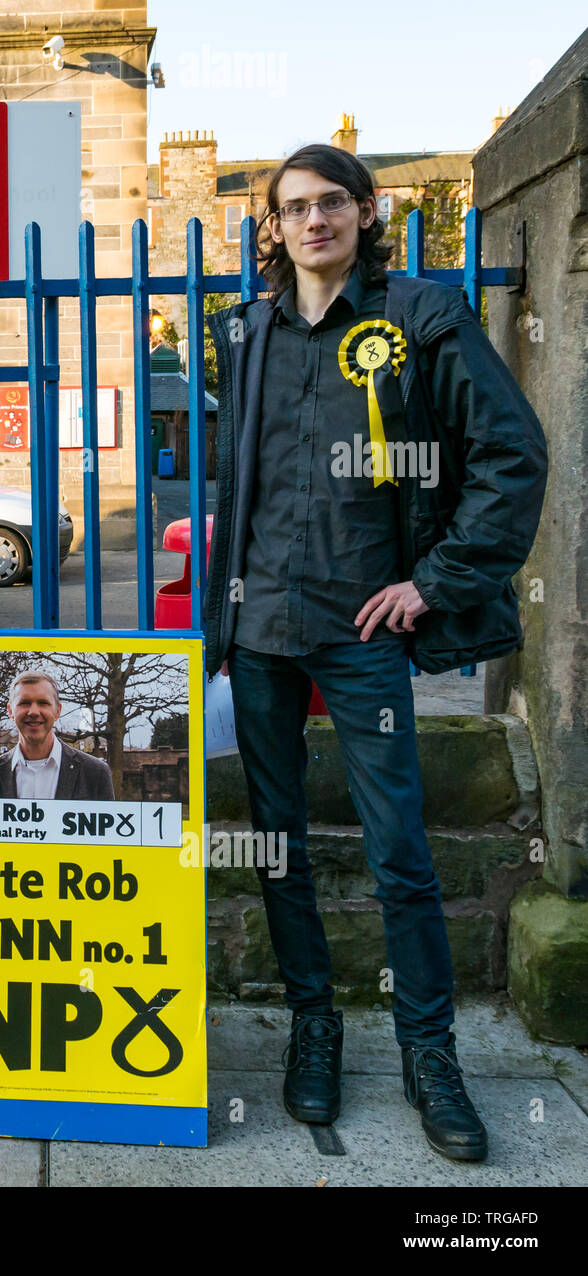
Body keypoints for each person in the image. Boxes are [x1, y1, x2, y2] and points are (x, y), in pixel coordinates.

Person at [204, 144, 546, 1161]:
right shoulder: (248, 329)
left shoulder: (419, 318)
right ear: (271, 227)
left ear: (363, 212)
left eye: (330, 204)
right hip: (259, 631)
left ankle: (427, 1052)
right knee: (278, 845)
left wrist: (431, 583)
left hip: (363, 633)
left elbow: (510, 453)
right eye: (292, 208)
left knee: (399, 849)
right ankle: (314, 1026)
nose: (312, 221)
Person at [0, 670, 116, 800]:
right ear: (10, 711)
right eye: (24, 702)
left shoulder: (96, 774)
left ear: (57, 711)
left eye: (43, 703)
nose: (33, 712)